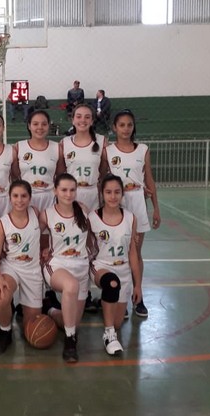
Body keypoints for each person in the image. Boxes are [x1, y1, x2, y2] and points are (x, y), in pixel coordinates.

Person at [104, 108, 161, 318]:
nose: (126, 129)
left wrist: (156, 208)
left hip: (137, 202)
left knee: (135, 252)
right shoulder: (108, 151)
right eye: (122, 125)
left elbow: (149, 179)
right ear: (114, 128)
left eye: (129, 125)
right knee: (117, 251)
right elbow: (103, 179)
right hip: (115, 202)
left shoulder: (143, 149)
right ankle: (119, 296)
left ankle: (138, 297)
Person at [0, 180, 48, 354]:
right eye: (15, 196)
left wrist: (47, 249)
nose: (19, 200)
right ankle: (5, 331)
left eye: (23, 196)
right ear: (10, 198)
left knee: (32, 329)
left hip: (32, 270)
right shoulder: (3, 223)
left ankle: (43, 308)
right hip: (11, 268)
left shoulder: (36, 213)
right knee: (2, 297)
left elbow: (47, 231)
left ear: (30, 198)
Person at [40, 173, 92, 363]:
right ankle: (70, 342)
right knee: (71, 286)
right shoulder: (47, 214)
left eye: (72, 190)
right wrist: (44, 249)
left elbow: (91, 236)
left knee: (71, 322)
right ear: (55, 190)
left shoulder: (84, 210)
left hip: (81, 267)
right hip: (57, 265)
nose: (68, 194)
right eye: (63, 190)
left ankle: (50, 309)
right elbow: (33, 235)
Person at [88, 174, 142, 355]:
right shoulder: (92, 218)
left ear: (122, 194)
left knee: (118, 322)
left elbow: (133, 253)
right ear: (102, 194)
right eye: (108, 192)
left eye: (117, 192)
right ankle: (109, 335)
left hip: (123, 269)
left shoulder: (131, 218)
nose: (113, 196)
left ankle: (103, 303)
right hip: (101, 266)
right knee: (111, 283)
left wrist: (138, 285)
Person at [13, 110, 63, 211]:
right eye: (35, 124)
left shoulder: (57, 148)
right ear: (29, 126)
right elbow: (15, 174)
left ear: (48, 126)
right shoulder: (18, 147)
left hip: (49, 198)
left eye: (44, 124)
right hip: (25, 197)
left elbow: (60, 175)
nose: (40, 127)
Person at [61, 103, 106, 211]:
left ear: (92, 121)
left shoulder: (102, 141)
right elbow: (61, 172)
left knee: (93, 222)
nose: (83, 120)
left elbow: (103, 171)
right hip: (71, 194)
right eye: (79, 116)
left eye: (87, 117)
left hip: (93, 193)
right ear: (73, 120)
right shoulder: (64, 143)